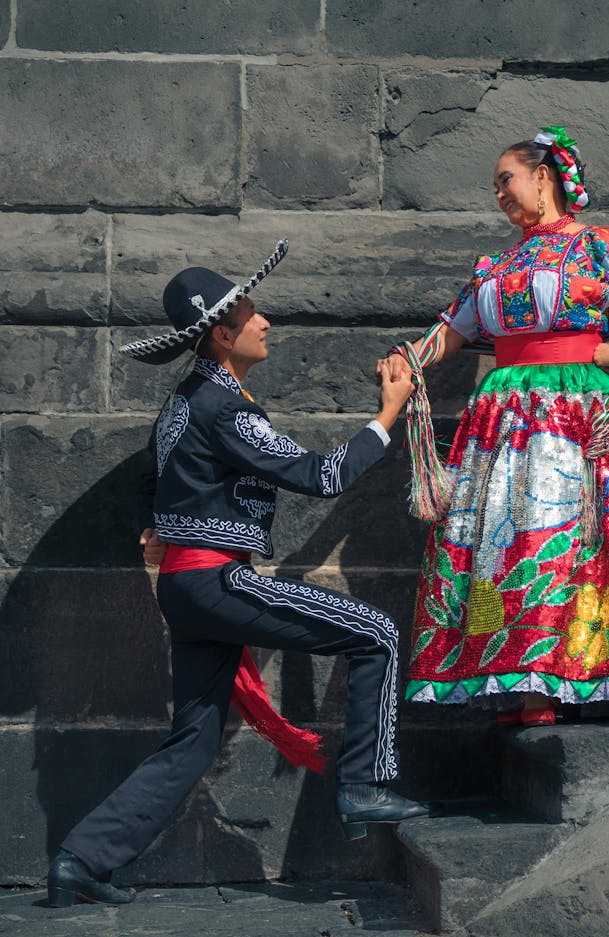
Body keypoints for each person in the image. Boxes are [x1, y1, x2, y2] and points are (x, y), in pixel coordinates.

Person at [47, 240, 428, 908]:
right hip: (215, 583)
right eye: (252, 314)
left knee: (193, 743)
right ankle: (367, 782)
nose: (265, 322)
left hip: (187, 588)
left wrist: (156, 516)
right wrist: (388, 412)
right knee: (375, 631)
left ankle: (83, 857)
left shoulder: (187, 401)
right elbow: (323, 474)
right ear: (223, 335)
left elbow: (150, 474)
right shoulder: (226, 408)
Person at [378, 126, 609, 727]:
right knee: (494, 547)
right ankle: (504, 670)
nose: (499, 194)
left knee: (558, 538)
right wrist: (407, 359)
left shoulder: (602, 246)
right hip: (500, 421)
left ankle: (548, 682)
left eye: (506, 180)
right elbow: (455, 330)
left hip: (571, 416)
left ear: (542, 176)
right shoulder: (495, 264)